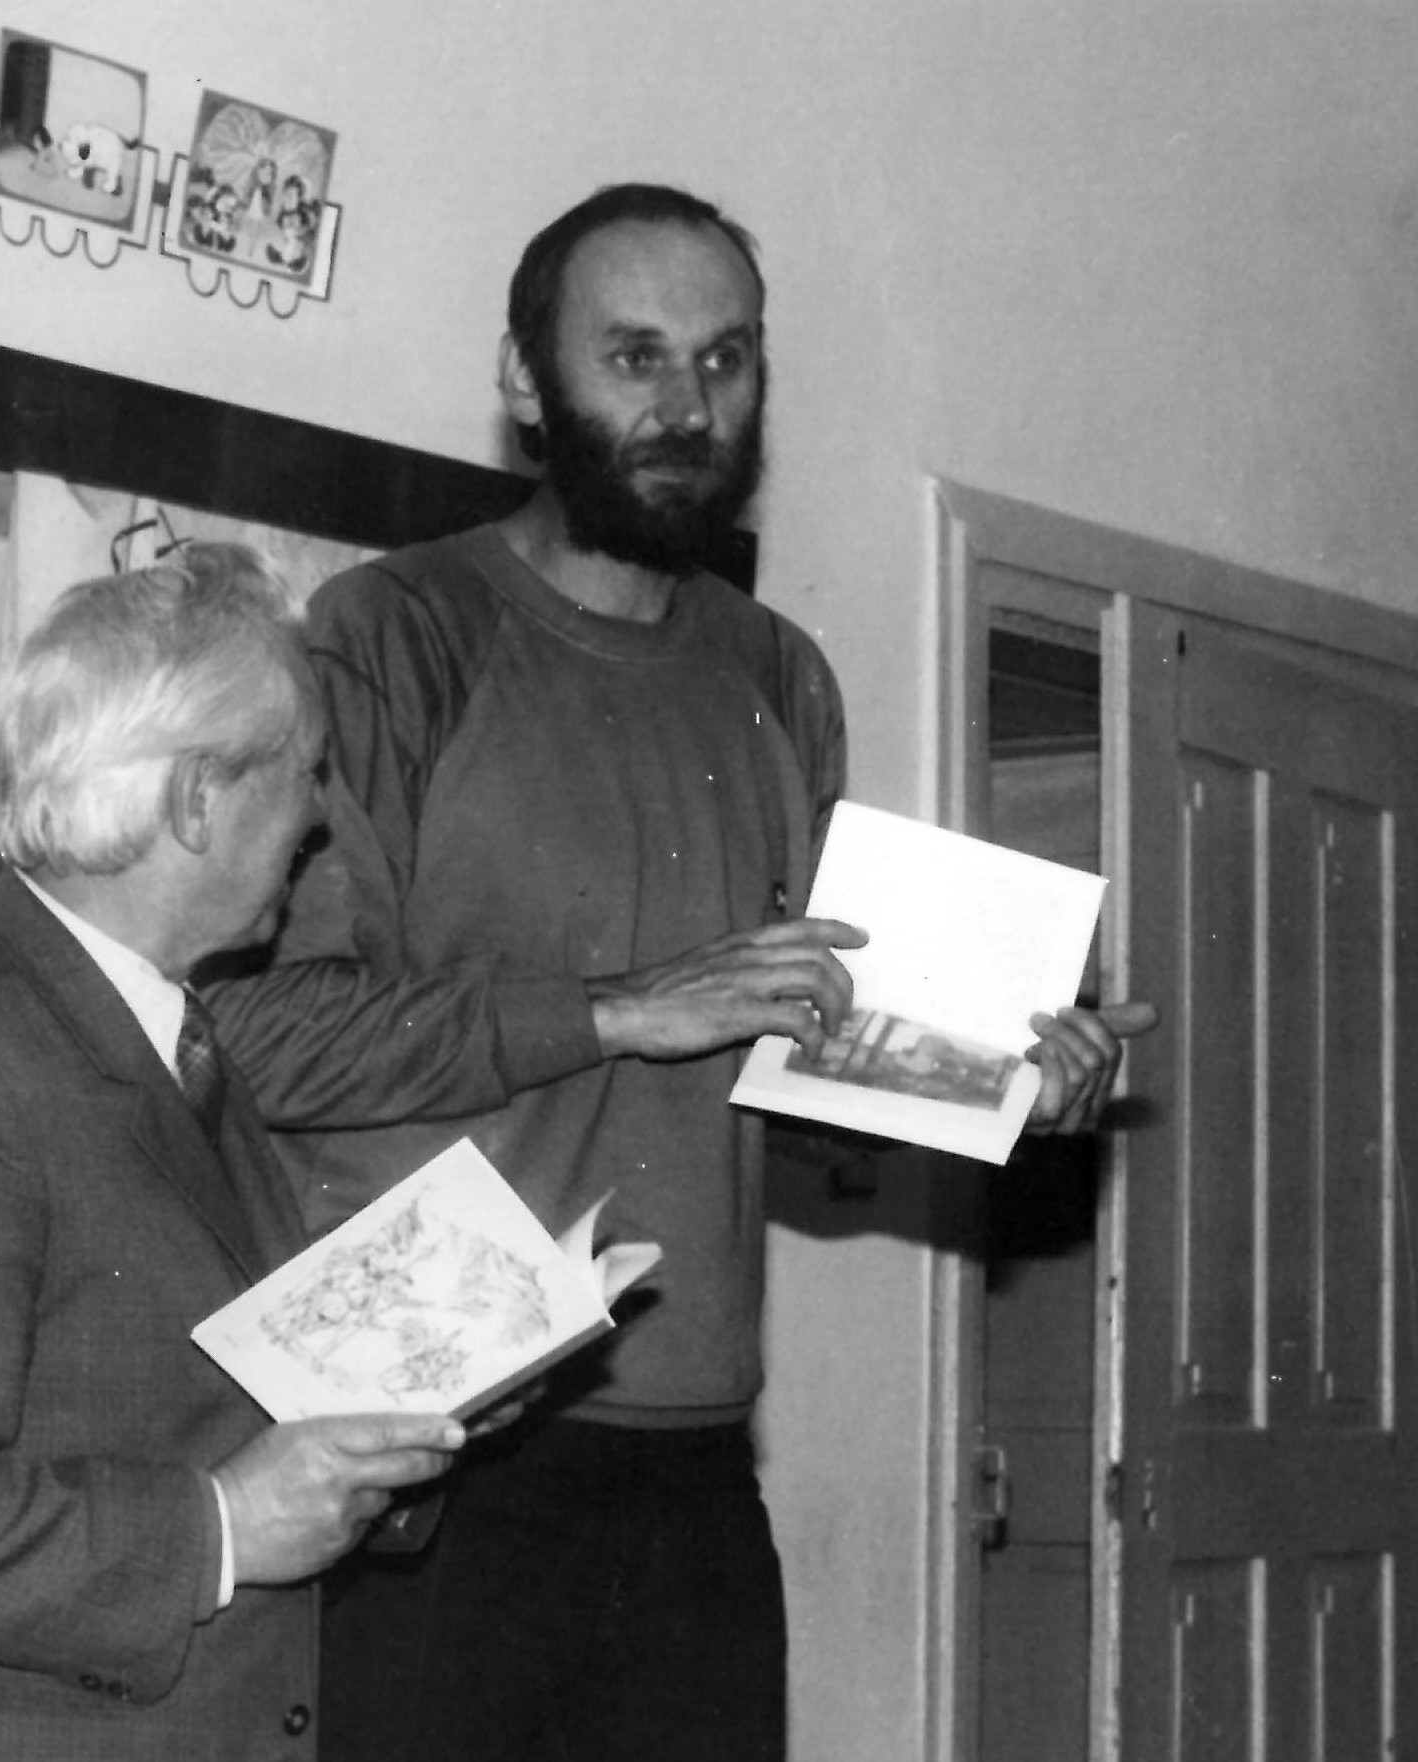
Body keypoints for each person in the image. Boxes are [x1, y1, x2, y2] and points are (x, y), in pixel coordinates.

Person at [214, 182, 1158, 1762]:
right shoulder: (389, 632)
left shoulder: (779, 674)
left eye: (723, 361)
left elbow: (800, 1109)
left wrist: (1001, 1090)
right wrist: (618, 1008)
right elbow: (260, 1035)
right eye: (634, 356)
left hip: (695, 1465)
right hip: (425, 1451)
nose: (685, 405)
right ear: (526, 383)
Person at [0, 545, 466, 1762]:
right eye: (306, 773)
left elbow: (187, 1405)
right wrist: (221, 1525)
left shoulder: (154, 1035)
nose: (320, 816)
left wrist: (418, 1396)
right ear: (197, 799)